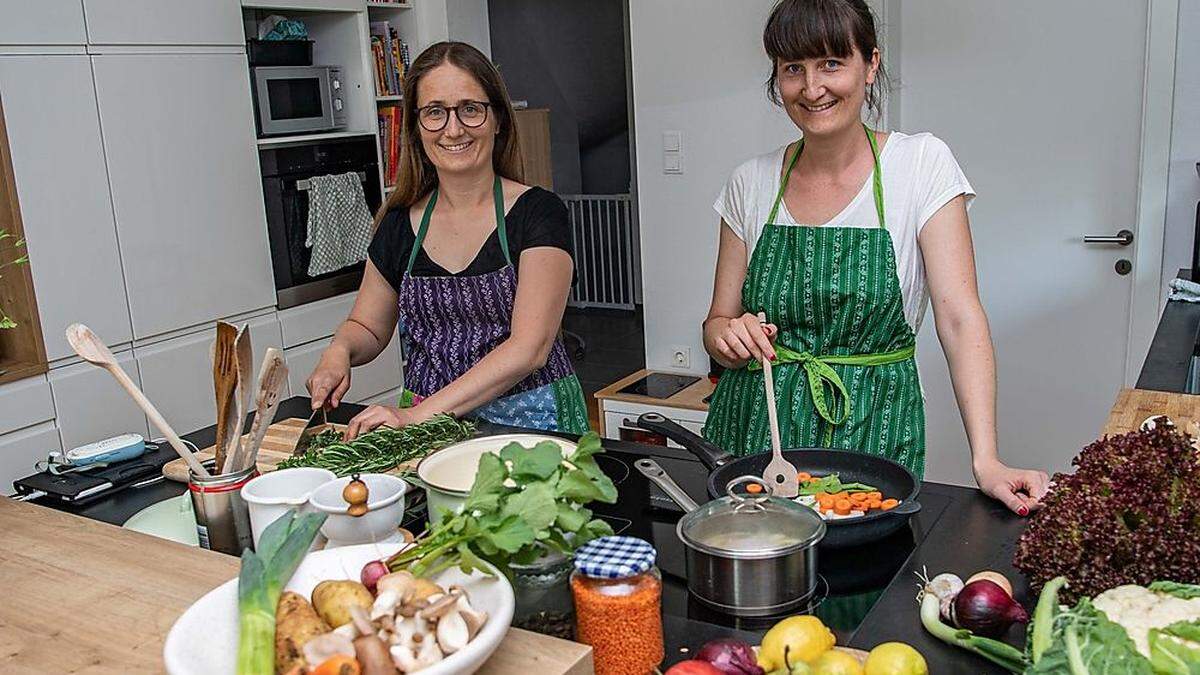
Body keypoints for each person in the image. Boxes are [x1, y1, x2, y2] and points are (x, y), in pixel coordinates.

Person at [702, 0, 1048, 514]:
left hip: (873, 428)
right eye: (793, 68)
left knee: (870, 579)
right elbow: (716, 324)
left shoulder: (921, 165)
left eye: (832, 64)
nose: (812, 87)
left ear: (871, 64)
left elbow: (959, 317)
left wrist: (987, 459)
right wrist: (730, 337)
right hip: (757, 430)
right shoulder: (749, 182)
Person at [306, 41, 589, 440]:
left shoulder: (538, 213)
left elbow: (530, 349)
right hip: (427, 433)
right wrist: (340, 351)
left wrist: (414, 417)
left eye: (470, 109)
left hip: (530, 426)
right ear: (417, 128)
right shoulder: (398, 224)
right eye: (435, 113)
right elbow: (367, 327)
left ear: (498, 120)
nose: (453, 129)